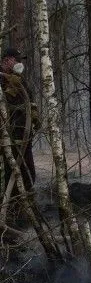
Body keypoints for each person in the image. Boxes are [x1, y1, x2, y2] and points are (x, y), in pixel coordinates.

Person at [0, 47, 39, 193]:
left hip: (23, 135)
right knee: (10, 170)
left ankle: (25, 197)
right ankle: (12, 204)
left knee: (28, 170)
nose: (19, 64)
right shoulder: (2, 80)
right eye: (17, 60)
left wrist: (35, 117)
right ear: (7, 60)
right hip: (8, 136)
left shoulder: (20, 81)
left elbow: (30, 101)